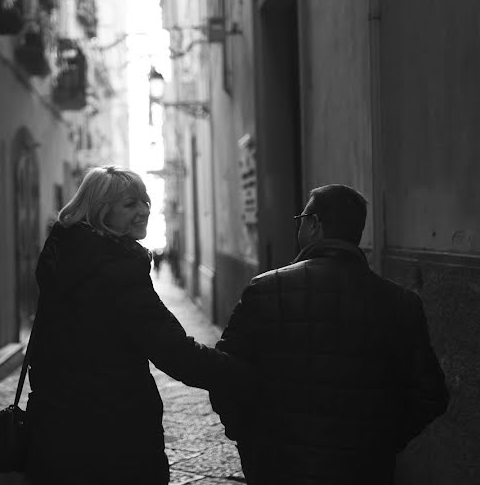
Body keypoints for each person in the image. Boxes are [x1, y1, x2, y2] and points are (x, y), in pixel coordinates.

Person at [211, 184, 449, 484]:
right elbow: (431, 395)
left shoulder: (265, 290)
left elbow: (224, 374)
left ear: (313, 224)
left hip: (279, 467)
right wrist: (383, 442)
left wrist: (249, 439)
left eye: (301, 219)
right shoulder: (401, 303)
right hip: (365, 469)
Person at [25, 165, 248, 485]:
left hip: (54, 428)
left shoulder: (64, 258)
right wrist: (238, 373)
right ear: (102, 212)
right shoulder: (117, 272)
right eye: (130, 204)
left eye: (145, 201)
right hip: (113, 434)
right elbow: (174, 350)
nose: (143, 210)